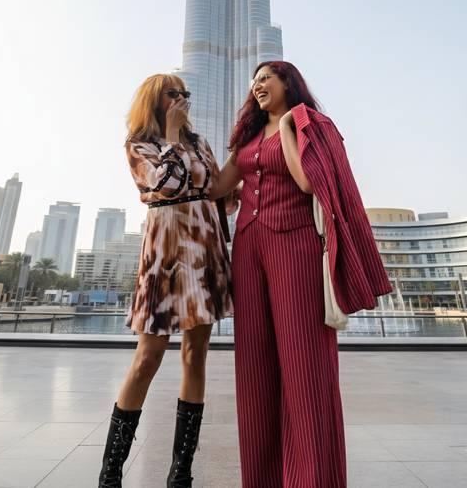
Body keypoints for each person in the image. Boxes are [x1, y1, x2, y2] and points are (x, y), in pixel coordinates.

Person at [209, 60, 392, 488]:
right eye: (254, 81)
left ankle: (314, 478)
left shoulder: (309, 124)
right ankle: (263, 478)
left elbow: (307, 182)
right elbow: (217, 186)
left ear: (288, 82)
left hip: (296, 248)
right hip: (249, 249)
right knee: (254, 367)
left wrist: (289, 126)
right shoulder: (249, 137)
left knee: (305, 365)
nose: (257, 85)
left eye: (265, 78)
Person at [98, 73, 234, 488]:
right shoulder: (138, 144)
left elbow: (218, 194)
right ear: (154, 100)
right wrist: (173, 136)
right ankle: (110, 472)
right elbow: (166, 185)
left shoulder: (200, 143)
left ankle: (181, 471)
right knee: (148, 357)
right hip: (165, 253)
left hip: (204, 249)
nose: (182, 100)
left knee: (196, 354)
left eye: (184, 94)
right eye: (173, 94)